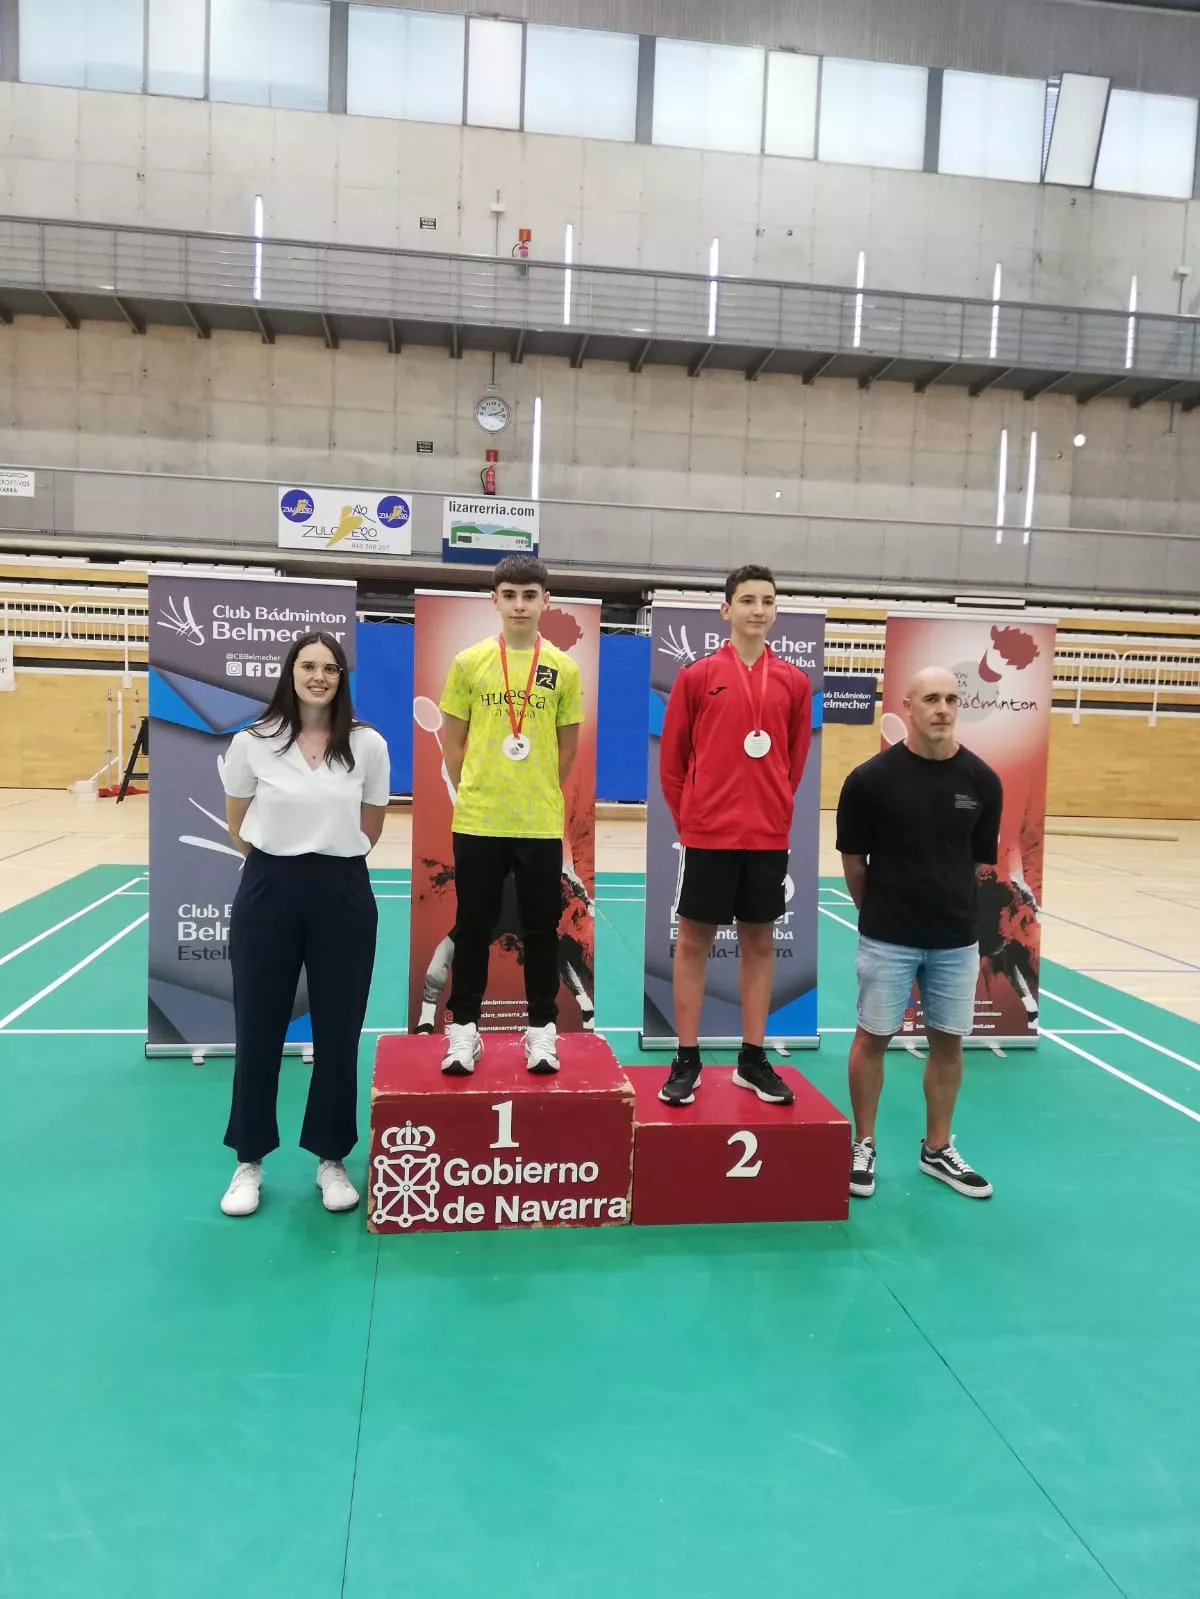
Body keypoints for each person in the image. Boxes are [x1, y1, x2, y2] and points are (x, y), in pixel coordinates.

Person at [218, 631, 390, 1218]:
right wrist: (281, 862)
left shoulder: (367, 745)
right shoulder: (253, 742)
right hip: (269, 888)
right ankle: (249, 1161)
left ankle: (332, 1158)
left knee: (338, 1032)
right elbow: (237, 824)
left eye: (331, 668)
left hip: (342, 890)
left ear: (343, 679)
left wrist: (327, 855)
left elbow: (372, 826)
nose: (319, 676)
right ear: (290, 671)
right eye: (308, 665)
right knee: (259, 1026)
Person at [836, 665, 1002, 1202]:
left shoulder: (982, 781)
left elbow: (978, 863)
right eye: (931, 698)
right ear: (905, 706)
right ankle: (863, 1144)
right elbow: (853, 861)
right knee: (872, 1039)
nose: (943, 709)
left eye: (952, 699)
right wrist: (880, 913)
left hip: (955, 939)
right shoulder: (869, 780)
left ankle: (936, 1150)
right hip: (889, 936)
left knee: (949, 1045)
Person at [657, 564, 813, 1107]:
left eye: (767, 601)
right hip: (708, 836)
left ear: (775, 610)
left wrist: (773, 808)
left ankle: (752, 1057)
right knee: (694, 942)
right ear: (727, 610)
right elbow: (673, 760)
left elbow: (794, 761)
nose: (758, 609)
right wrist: (694, 817)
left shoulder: (793, 682)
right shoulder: (698, 676)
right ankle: (686, 1057)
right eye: (747, 600)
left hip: (767, 838)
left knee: (759, 943)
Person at [438, 555, 584, 1075]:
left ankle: (542, 1032)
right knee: (472, 926)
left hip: (538, 822)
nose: (520, 605)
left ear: (546, 601)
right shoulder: (469, 662)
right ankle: (463, 1033)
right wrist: (479, 786)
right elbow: (453, 743)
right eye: (510, 595)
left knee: (543, 929)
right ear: (494, 600)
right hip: (478, 820)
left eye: (530, 595)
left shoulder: (562, 668)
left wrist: (534, 787)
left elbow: (566, 751)